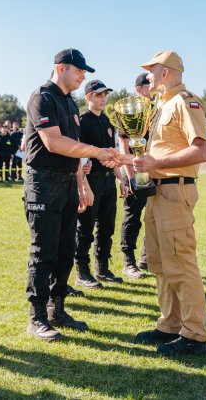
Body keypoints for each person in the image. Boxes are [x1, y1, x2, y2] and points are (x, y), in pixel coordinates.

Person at [24, 48, 120, 342]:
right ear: (62, 67)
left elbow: (74, 151)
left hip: (67, 182)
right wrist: (98, 151)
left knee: (66, 249)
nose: (82, 76)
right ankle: (37, 317)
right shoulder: (42, 97)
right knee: (44, 251)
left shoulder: (68, 103)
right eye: (79, 71)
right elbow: (54, 143)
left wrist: (81, 184)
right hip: (43, 182)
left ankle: (57, 310)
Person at [130, 50, 206, 356]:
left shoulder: (185, 102)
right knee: (161, 265)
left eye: (152, 70)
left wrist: (155, 161)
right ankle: (170, 325)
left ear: (166, 73)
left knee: (181, 264)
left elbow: (201, 151)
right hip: (158, 193)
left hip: (175, 192)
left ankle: (195, 335)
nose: (148, 75)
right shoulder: (160, 106)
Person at [75, 79, 127, 290]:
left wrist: (120, 178)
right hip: (91, 180)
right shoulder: (82, 121)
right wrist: (83, 183)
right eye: (98, 95)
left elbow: (112, 154)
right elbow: (77, 154)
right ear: (88, 97)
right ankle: (82, 272)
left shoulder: (107, 121)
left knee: (107, 228)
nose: (103, 98)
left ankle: (102, 268)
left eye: (105, 95)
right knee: (85, 229)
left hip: (108, 182)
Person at [119, 73, 156, 279]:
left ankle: (145, 257)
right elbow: (124, 146)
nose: (152, 87)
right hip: (134, 171)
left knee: (152, 216)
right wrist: (132, 176)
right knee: (133, 217)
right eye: (147, 84)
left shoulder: (158, 110)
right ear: (138, 89)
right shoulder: (129, 111)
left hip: (153, 171)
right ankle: (128, 261)